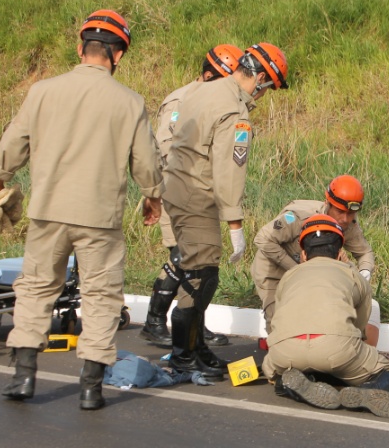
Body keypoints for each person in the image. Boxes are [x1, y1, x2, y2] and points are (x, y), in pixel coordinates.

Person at [0, 9, 164, 411]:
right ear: (117, 55)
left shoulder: (43, 90)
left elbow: (14, 143)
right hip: (100, 218)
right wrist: (153, 195)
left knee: (35, 288)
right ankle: (90, 388)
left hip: (48, 210)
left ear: (80, 47)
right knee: (101, 296)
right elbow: (147, 163)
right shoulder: (130, 102)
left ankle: (23, 377)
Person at [162, 42, 290, 380]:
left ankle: (194, 349)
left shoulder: (206, 88)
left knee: (197, 270)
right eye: (269, 88)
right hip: (196, 195)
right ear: (260, 78)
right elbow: (229, 171)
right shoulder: (235, 111)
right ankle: (182, 355)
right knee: (201, 275)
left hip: (175, 187)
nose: (265, 96)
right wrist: (236, 226)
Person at [140, 44, 244, 348]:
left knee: (198, 261)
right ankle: (154, 320)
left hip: (201, 191)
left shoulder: (216, 99)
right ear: (209, 73)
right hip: (177, 186)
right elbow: (166, 147)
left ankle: (196, 322)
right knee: (183, 256)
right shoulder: (181, 99)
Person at [262, 215, 389, 418]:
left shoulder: (288, 277)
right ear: (339, 253)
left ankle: (290, 385)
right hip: (336, 350)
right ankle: (364, 391)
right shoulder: (353, 275)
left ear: (303, 254)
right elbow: (360, 327)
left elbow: (278, 318)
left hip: (285, 352)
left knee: (279, 371)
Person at [252, 174, 373, 338]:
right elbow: (263, 239)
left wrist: (364, 275)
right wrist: (298, 270)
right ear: (327, 203)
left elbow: (364, 252)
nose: (345, 219)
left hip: (312, 274)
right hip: (274, 270)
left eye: (350, 214)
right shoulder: (298, 217)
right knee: (278, 326)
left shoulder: (348, 224)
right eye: (340, 211)